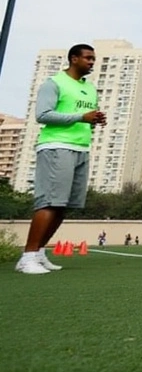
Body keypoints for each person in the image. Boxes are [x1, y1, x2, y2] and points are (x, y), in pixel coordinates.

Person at [16, 44, 106, 274]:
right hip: (57, 146)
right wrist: (80, 116)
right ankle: (27, 256)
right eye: (88, 58)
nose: (92, 62)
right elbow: (42, 115)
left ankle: (39, 252)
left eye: (94, 59)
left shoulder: (90, 88)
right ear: (74, 59)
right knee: (49, 202)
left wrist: (94, 119)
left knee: (63, 206)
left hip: (81, 149)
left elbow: (83, 117)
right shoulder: (54, 83)